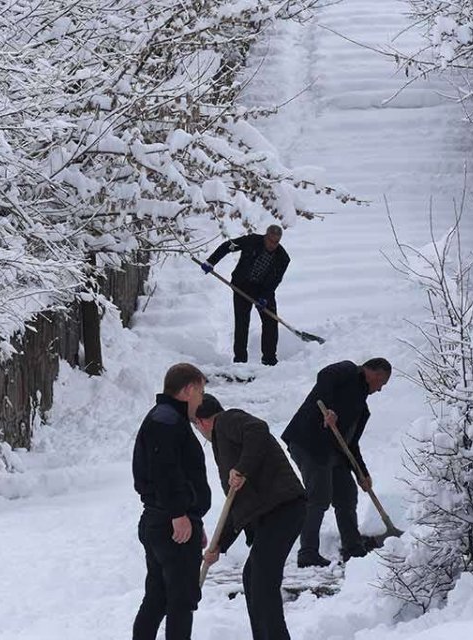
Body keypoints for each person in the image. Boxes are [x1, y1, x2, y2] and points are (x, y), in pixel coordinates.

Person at [194, 394, 305, 640]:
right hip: (271, 514)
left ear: (200, 422)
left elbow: (258, 429)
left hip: (283, 508)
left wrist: (242, 468)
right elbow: (237, 506)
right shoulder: (222, 443)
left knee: (263, 582)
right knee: (252, 577)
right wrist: (219, 546)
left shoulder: (226, 420)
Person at [280, 358, 391, 567]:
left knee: (347, 494)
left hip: (334, 453)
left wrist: (362, 474)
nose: (380, 389)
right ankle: (307, 553)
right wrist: (329, 408)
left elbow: (351, 445)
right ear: (375, 374)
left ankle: (353, 548)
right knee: (319, 496)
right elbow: (324, 375)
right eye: (382, 383)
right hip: (308, 443)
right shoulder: (348, 371)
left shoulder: (362, 410)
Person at [132, 363, 213, 640]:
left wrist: (192, 518)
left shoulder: (168, 418)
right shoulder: (166, 421)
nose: (201, 400)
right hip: (169, 524)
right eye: (200, 392)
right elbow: (163, 471)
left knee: (159, 598)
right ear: (188, 390)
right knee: (179, 601)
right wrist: (179, 514)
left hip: (166, 521)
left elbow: (179, 473)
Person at [200, 225, 290, 366]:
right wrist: (211, 261)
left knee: (271, 322)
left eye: (276, 242)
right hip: (242, 285)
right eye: (271, 241)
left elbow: (275, 281)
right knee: (242, 322)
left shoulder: (283, 258)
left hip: (264, 290)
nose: (273, 245)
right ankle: (240, 360)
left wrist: (265, 298)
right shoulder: (251, 240)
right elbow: (227, 246)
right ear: (265, 236)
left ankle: (269, 359)